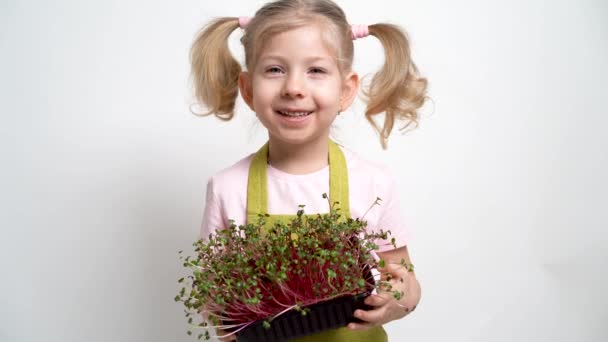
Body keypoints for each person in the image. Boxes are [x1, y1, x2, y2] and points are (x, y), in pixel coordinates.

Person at [191, 0, 427, 340]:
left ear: (345, 91)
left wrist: (398, 301)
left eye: (316, 70)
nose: (293, 88)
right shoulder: (228, 188)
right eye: (275, 69)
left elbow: (405, 281)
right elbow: (217, 302)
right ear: (247, 89)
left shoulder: (372, 182)